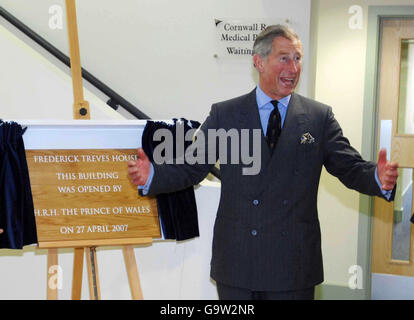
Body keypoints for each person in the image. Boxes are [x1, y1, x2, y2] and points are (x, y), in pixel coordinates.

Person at [127, 25, 398, 300]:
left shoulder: (318, 117)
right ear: (259, 61)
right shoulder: (226, 114)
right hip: (238, 264)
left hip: (293, 265)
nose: (293, 67)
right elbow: (193, 165)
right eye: (284, 58)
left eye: (298, 58)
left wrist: (377, 177)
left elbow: (348, 166)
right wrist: (153, 175)